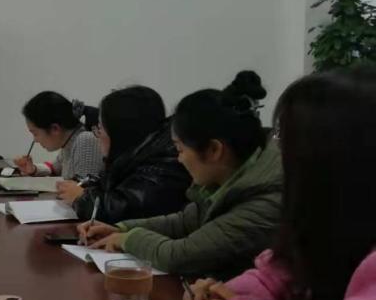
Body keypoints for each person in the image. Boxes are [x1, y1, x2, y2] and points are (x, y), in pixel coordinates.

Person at [186, 66, 376, 300]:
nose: (278, 155)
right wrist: (227, 294)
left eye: (284, 141)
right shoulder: (331, 217)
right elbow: (282, 273)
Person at [79, 72, 282, 279]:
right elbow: (184, 222)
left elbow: (180, 255)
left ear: (214, 150)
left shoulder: (264, 202)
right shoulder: (226, 180)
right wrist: (119, 229)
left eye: (180, 149)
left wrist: (127, 239)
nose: (178, 159)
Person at [67, 86, 191, 223]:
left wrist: (82, 199)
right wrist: (86, 187)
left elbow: (127, 211)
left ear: (119, 133)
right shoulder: (140, 155)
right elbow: (115, 189)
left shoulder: (163, 165)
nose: (97, 135)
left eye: (100, 128)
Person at [13, 91, 103, 181]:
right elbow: (54, 168)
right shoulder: (69, 142)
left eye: (35, 133)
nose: (35, 140)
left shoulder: (86, 140)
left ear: (55, 129)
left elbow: (84, 187)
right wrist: (33, 169)